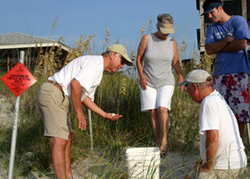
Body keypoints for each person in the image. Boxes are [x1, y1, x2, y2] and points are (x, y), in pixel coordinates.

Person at [37, 44, 133, 179]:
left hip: (60, 96)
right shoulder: (95, 64)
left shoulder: (97, 69)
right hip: (53, 92)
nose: (122, 66)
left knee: (68, 137)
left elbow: (84, 97)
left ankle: (68, 176)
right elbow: (75, 84)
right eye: (122, 62)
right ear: (113, 55)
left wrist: (104, 114)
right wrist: (79, 112)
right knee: (59, 140)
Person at [180, 69, 247, 178]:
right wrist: (203, 161)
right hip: (237, 162)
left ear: (195, 88)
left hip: (224, 165)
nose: (187, 92)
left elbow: (213, 137)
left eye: (187, 88)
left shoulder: (208, 103)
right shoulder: (218, 98)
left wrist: (208, 165)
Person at [136, 13, 184, 156]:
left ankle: (164, 142)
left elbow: (175, 61)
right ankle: (157, 141)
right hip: (148, 80)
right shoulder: (147, 38)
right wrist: (142, 76)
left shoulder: (172, 42)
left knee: (162, 108)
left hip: (166, 80)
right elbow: (138, 59)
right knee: (152, 111)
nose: (165, 35)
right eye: (163, 31)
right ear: (157, 26)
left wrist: (181, 76)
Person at [202, 0, 250, 138]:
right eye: (207, 14)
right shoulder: (212, 28)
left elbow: (241, 44)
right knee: (220, 112)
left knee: (239, 113)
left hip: (238, 72)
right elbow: (209, 50)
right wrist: (227, 41)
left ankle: (238, 145)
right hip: (219, 74)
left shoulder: (238, 21)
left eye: (211, 12)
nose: (210, 16)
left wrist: (220, 47)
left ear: (220, 8)